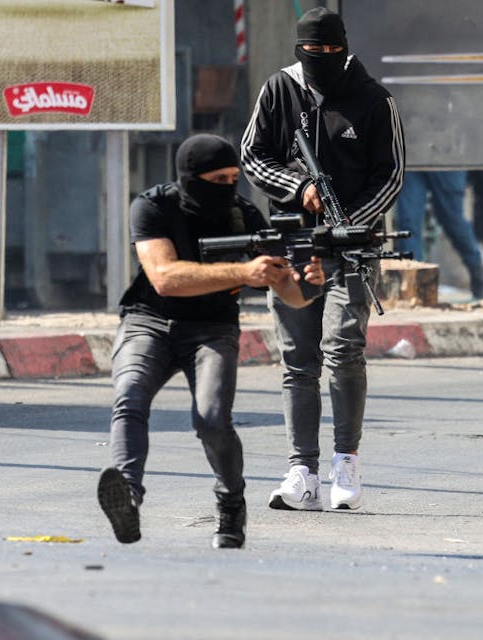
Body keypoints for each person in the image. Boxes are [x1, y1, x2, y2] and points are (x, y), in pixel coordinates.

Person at [97, 134, 325, 549]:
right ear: (190, 177)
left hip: (213, 328)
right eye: (218, 179)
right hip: (149, 321)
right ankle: (126, 495)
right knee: (130, 396)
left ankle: (230, 503)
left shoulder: (244, 216)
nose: (228, 187)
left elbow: (288, 292)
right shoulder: (153, 206)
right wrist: (242, 273)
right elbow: (164, 278)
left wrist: (308, 285)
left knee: (212, 419)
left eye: (234, 178)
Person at [240, 7, 404, 512]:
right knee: (297, 360)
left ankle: (346, 462)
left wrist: (349, 223)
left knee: (344, 350)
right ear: (300, 50)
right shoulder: (279, 90)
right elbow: (252, 156)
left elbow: (391, 174)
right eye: (315, 51)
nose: (324, 58)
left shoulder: (375, 100)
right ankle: (302, 471)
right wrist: (300, 188)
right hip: (292, 246)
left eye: (333, 50)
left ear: (345, 48)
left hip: (351, 250)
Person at [395, 170, 483, 299]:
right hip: (410, 163)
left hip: (446, 162)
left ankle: (478, 274)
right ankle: (412, 288)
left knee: (453, 221)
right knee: (408, 222)